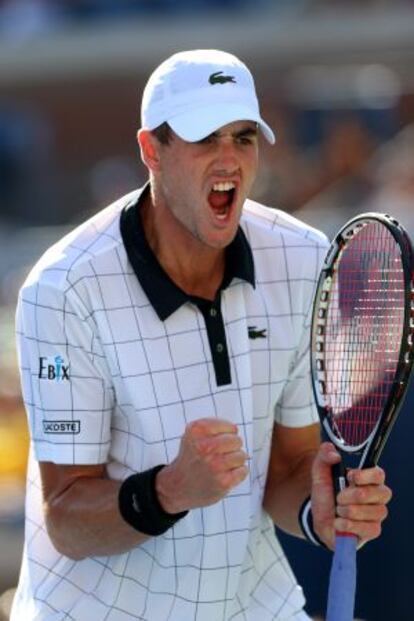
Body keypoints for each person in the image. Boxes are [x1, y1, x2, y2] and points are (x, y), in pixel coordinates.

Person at [11, 49, 391, 621]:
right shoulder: (63, 289)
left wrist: (321, 512)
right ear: (151, 152)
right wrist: (168, 490)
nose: (229, 160)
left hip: (253, 604)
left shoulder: (306, 259)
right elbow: (66, 517)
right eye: (204, 138)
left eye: (243, 138)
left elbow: (288, 469)